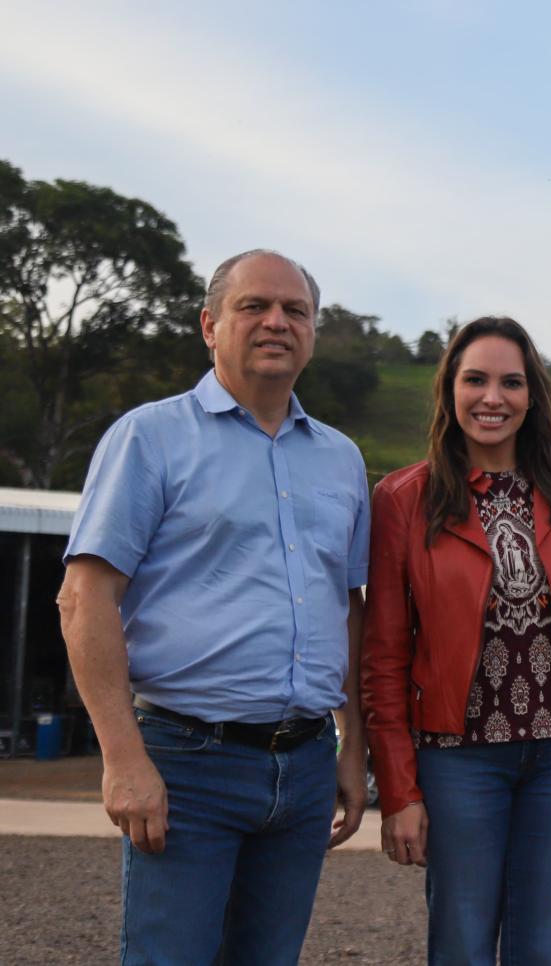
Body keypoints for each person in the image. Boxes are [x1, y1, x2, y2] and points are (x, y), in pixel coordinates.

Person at [56, 249, 370, 965]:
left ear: (314, 332)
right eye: (254, 306)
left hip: (305, 767)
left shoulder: (341, 459)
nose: (276, 322)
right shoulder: (150, 437)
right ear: (209, 324)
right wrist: (122, 759)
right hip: (186, 763)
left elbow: (347, 607)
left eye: (295, 311)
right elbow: (84, 597)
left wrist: (356, 747)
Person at [361, 317, 551, 965]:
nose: (492, 397)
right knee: (462, 942)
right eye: (475, 379)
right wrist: (398, 789)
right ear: (449, 390)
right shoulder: (404, 500)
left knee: (545, 943)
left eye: (511, 382)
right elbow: (384, 657)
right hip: (458, 760)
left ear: (532, 395)